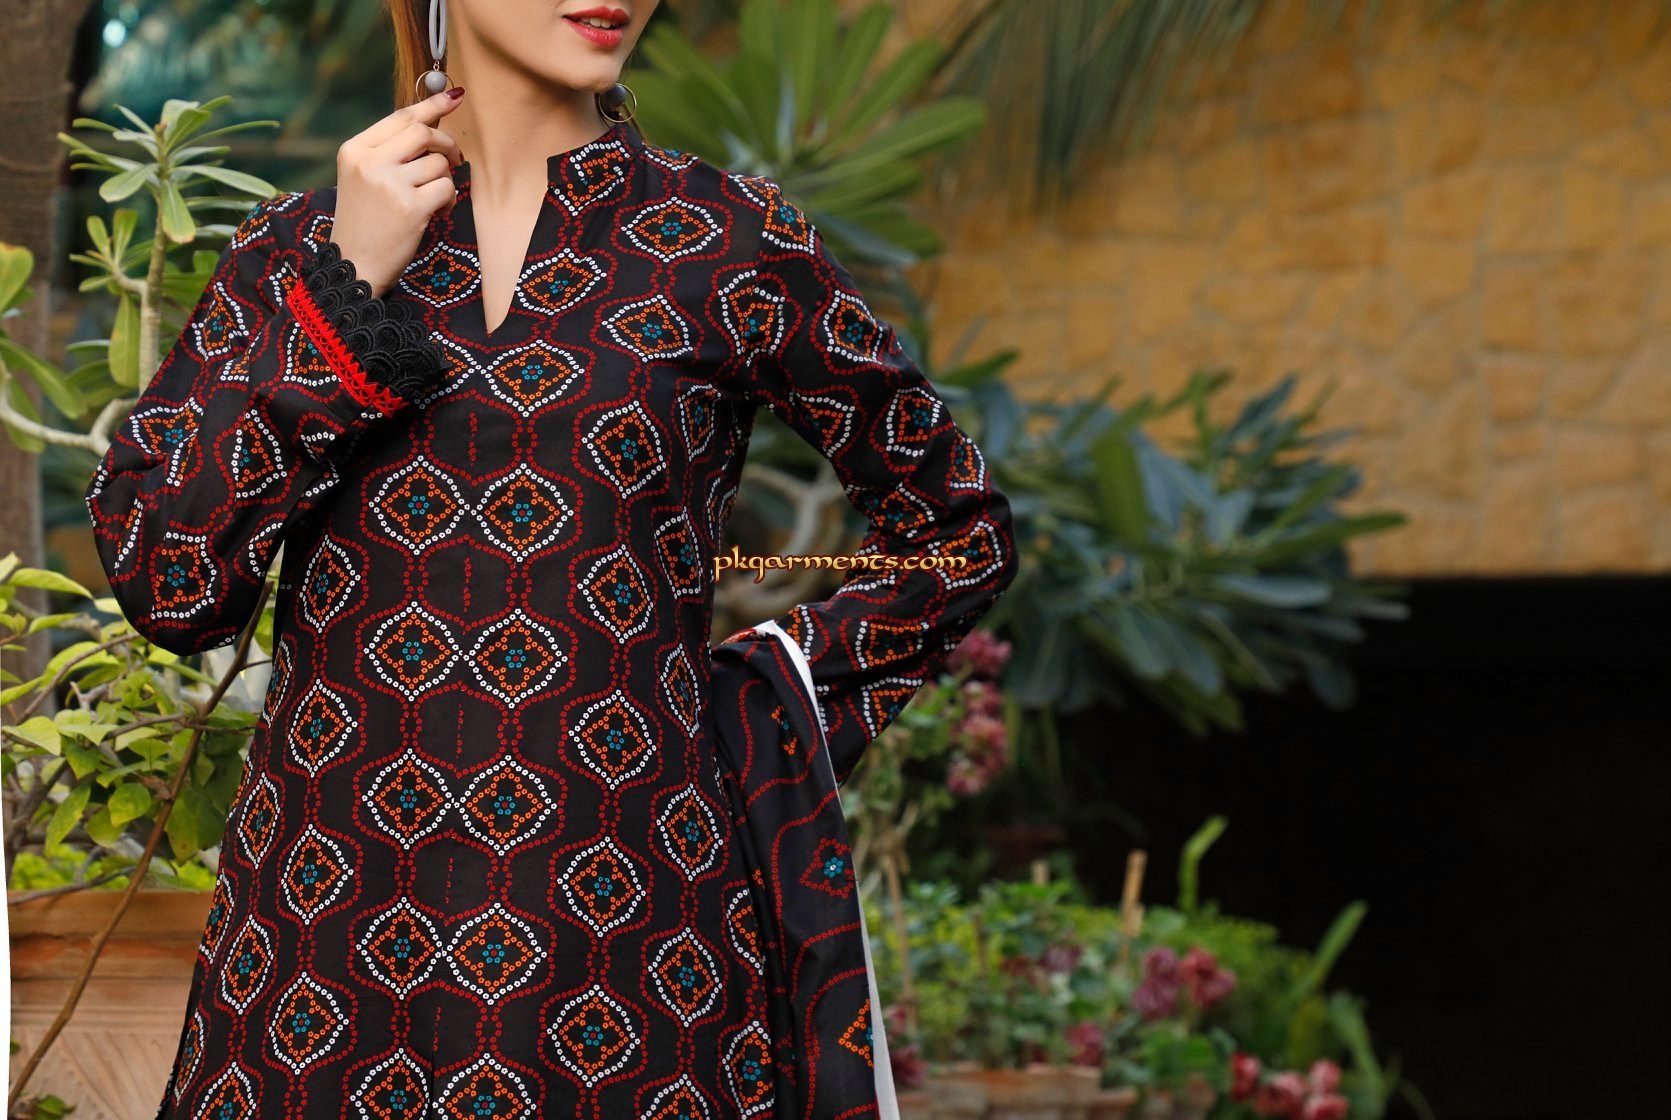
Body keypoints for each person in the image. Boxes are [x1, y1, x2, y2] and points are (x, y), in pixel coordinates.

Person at [82, 1, 1018, 1117]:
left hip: (631, 941)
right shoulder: (297, 250)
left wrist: (750, 705)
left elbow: (958, 533)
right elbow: (168, 580)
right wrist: (345, 288)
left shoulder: (728, 240)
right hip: (319, 946)